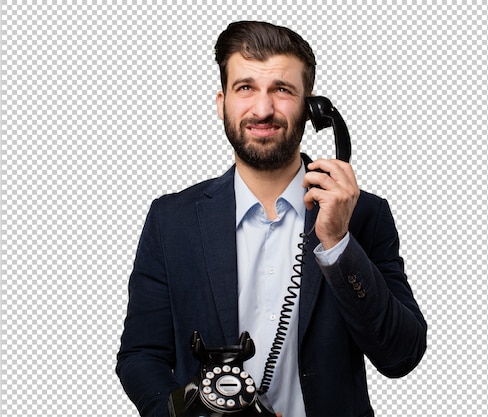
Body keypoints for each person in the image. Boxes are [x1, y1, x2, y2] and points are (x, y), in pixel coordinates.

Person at [116, 20, 427, 417]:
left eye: (282, 90)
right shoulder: (170, 219)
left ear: (312, 108)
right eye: (245, 88)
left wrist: (337, 242)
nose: (263, 109)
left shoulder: (365, 214)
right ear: (221, 102)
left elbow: (401, 356)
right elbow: (141, 356)